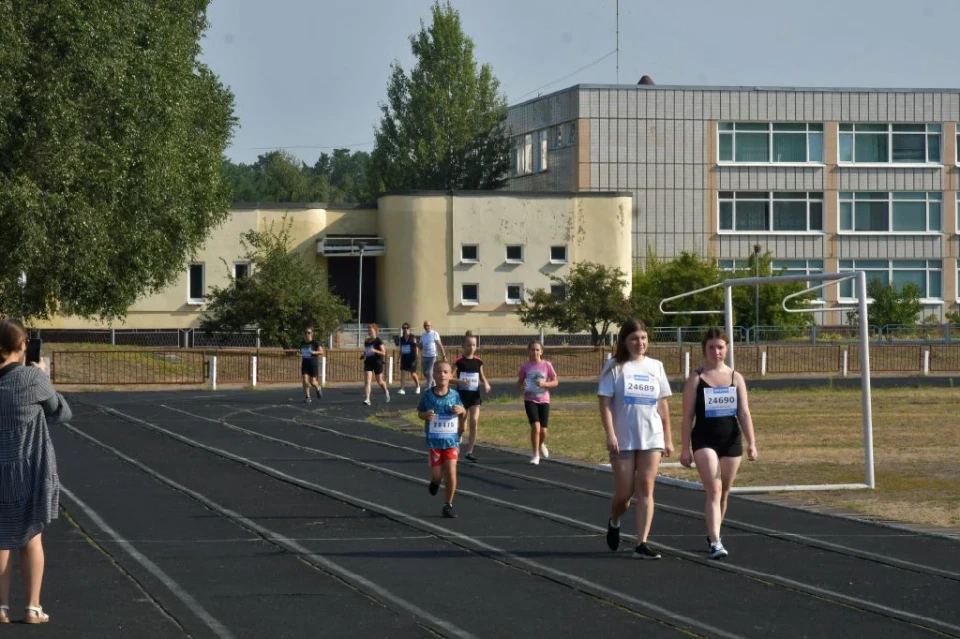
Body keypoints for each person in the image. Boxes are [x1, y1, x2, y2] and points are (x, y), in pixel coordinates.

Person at [0, 319, 72, 624]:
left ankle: (0, 607)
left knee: (1, 539)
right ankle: (32, 607)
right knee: (32, 538)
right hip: (29, 468)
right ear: (23, 346)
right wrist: (43, 375)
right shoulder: (32, 379)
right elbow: (60, 412)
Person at [680, 327, 758, 559]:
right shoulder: (696, 377)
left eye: (720, 347)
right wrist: (685, 448)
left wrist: (752, 443)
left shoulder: (736, 377)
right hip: (704, 439)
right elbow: (687, 416)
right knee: (713, 489)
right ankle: (715, 542)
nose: (716, 351)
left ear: (727, 349)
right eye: (711, 347)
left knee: (724, 492)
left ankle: (715, 532)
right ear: (704, 349)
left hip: (731, 440)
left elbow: (744, 413)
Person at [599, 318, 673, 560]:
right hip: (624, 438)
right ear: (625, 341)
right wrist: (610, 434)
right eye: (634, 338)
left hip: (651, 436)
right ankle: (615, 519)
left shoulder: (656, 366)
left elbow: (663, 405)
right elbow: (605, 403)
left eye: (643, 338)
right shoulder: (614, 367)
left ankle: (641, 543)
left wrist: (668, 439)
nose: (640, 343)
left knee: (646, 489)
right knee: (624, 494)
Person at [417, 360, 465, 518]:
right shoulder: (427, 395)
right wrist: (425, 415)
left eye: (445, 372)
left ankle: (448, 505)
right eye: (439, 372)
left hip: (451, 441)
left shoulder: (455, 395)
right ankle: (435, 482)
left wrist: (461, 410)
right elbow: (420, 412)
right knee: (437, 474)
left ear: (451, 375)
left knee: (451, 471)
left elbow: (463, 412)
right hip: (435, 442)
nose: (442, 375)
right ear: (434, 375)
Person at [516, 340, 558, 465]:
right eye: (532, 350)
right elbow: (519, 382)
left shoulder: (547, 365)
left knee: (543, 431)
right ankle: (535, 455)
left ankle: (540, 444)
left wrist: (545, 383)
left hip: (544, 399)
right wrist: (522, 387)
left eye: (537, 350)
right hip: (530, 399)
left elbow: (555, 381)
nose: (535, 352)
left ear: (541, 351)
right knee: (536, 427)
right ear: (528, 351)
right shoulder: (526, 366)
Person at [454, 331, 491, 462]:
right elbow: (449, 378)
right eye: (469, 345)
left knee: (474, 421)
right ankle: (457, 438)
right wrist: (460, 381)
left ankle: (469, 451)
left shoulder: (478, 361)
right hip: (462, 397)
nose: (471, 348)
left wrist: (486, 384)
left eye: (474, 345)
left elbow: (482, 375)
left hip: (475, 396)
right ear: (463, 345)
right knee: (462, 426)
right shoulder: (459, 361)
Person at [361, 323, 390, 406]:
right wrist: (363, 355)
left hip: (377, 362)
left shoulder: (378, 341)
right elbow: (366, 350)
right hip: (368, 361)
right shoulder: (366, 341)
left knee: (379, 381)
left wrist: (375, 351)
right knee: (367, 381)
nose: (369, 332)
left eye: (371, 330)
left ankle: (386, 391)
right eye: (368, 330)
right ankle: (367, 399)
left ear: (375, 331)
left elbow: (383, 353)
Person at [299, 326, 324, 403]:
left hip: (313, 364)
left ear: (312, 334)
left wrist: (314, 352)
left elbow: (321, 351)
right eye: (305, 332)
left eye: (309, 333)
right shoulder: (302, 343)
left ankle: (318, 388)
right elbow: (300, 351)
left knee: (313, 382)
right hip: (305, 363)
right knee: (305, 381)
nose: (307, 334)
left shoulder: (315, 342)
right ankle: (308, 397)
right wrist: (298, 351)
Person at [418, 321, 445, 388]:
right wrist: (416, 344)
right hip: (425, 356)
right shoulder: (423, 335)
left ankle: (428, 388)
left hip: (433, 356)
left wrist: (443, 355)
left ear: (431, 326)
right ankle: (432, 380)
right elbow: (420, 347)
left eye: (428, 325)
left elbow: (439, 344)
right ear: (424, 327)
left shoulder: (434, 333)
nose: (427, 327)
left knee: (429, 372)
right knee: (425, 373)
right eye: (425, 326)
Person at [396, 323, 421, 395]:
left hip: (412, 357)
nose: (405, 329)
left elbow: (416, 348)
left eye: (407, 328)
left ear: (409, 328)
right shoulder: (401, 338)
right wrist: (399, 358)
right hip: (404, 357)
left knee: (413, 373)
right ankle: (402, 388)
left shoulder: (413, 337)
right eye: (404, 328)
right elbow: (401, 348)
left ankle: (418, 386)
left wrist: (416, 357)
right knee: (403, 373)